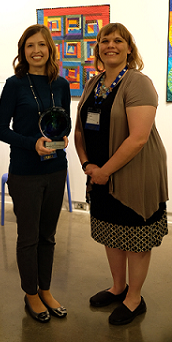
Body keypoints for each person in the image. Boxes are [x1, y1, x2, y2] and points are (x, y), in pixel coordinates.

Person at [74, 22, 168, 325]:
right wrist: (87, 164)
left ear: (129, 48)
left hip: (134, 173)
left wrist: (104, 172)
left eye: (118, 40)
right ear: (97, 48)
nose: (110, 45)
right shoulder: (94, 82)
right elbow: (79, 129)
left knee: (135, 237)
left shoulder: (138, 82)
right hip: (99, 172)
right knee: (110, 231)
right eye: (104, 41)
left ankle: (134, 298)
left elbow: (138, 138)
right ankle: (117, 287)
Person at [0, 24, 71, 323]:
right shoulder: (15, 85)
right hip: (25, 171)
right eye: (30, 46)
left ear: (50, 48)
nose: (36, 50)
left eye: (41, 45)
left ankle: (46, 289)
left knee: (48, 236)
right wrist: (31, 144)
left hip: (56, 168)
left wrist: (61, 138)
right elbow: (1, 130)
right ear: (22, 51)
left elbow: (63, 121)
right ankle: (31, 294)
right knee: (28, 236)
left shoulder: (61, 85)